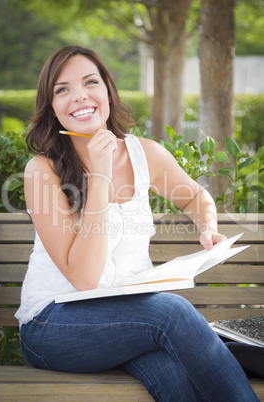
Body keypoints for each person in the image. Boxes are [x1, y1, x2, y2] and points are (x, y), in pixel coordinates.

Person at [15, 46, 259, 402]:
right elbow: (84, 279)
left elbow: (195, 196)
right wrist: (98, 174)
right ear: (52, 108)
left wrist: (206, 227)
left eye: (90, 82)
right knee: (171, 311)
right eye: (62, 89)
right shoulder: (43, 170)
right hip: (53, 326)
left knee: (173, 375)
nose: (79, 96)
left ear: (108, 92)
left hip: (128, 320)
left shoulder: (145, 154)